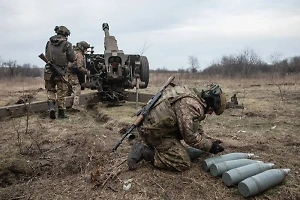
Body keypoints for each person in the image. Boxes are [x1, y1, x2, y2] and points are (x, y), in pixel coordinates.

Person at [127, 84, 227, 171]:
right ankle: (143, 151)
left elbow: (193, 126)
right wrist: (210, 147)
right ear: (211, 105)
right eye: (212, 111)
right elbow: (190, 137)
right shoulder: (192, 105)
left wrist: (209, 140)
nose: (210, 113)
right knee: (182, 162)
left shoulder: (191, 94)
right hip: (152, 133)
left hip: (151, 125)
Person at [44, 26, 76, 119]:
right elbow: (72, 58)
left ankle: (51, 108)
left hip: (48, 71)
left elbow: (46, 55)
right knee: (61, 92)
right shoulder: (67, 44)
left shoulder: (49, 43)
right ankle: (61, 113)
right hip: (60, 72)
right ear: (66, 34)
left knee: (50, 91)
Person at [66, 41, 90, 110]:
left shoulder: (73, 52)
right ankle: (75, 105)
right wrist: (87, 71)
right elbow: (79, 67)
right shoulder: (79, 55)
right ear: (82, 48)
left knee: (69, 89)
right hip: (72, 73)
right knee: (77, 88)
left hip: (67, 72)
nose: (86, 51)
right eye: (85, 49)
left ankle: (64, 105)